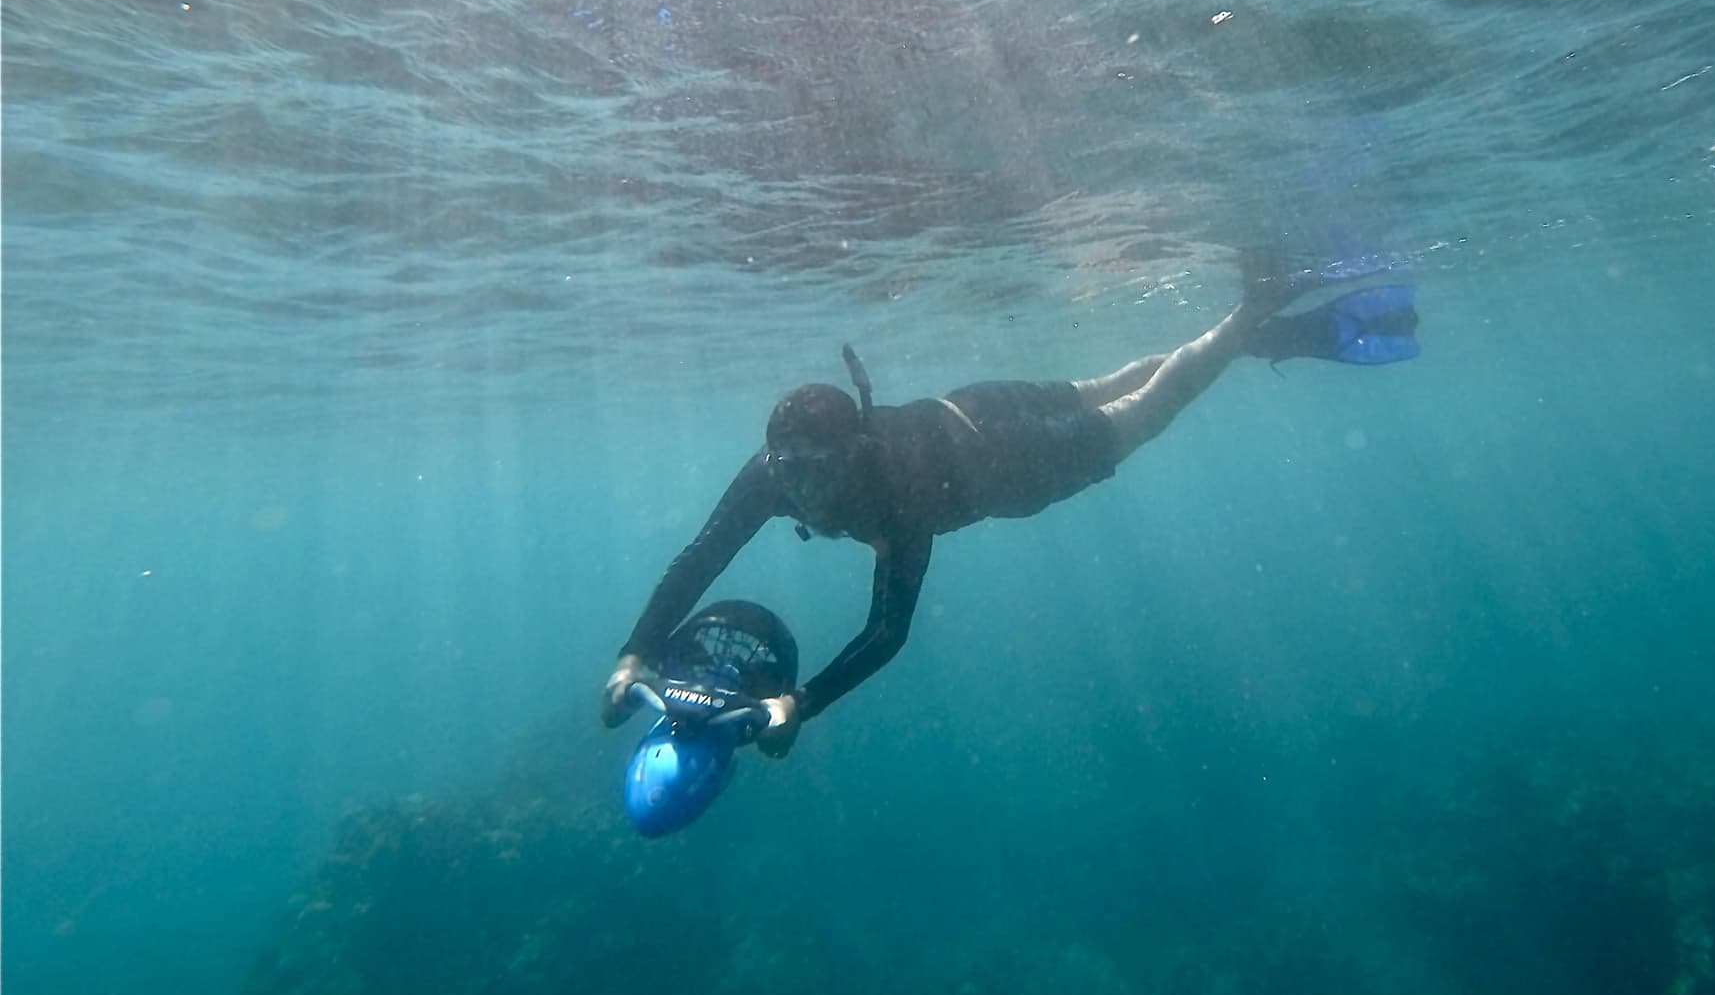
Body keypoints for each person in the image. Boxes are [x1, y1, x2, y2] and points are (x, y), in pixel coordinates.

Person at [600, 269, 1418, 755]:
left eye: (817, 466)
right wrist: (636, 652)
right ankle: (1258, 332)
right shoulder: (771, 474)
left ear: (855, 450)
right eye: (788, 466)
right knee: (1119, 381)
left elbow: (889, 631)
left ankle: (1247, 319)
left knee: (1151, 404)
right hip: (977, 404)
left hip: (1025, 466)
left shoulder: (899, 490)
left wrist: (803, 701)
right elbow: (698, 559)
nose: (800, 486)